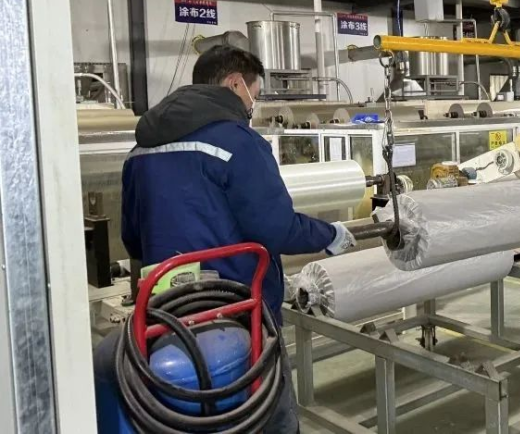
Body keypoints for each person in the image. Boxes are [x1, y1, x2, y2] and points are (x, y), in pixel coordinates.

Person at [121, 45, 355, 433]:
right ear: (234, 84)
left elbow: (132, 239)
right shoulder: (239, 143)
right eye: (254, 94)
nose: (251, 105)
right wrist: (330, 234)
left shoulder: (139, 150)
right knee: (267, 416)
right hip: (238, 313)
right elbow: (276, 228)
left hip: (166, 315)